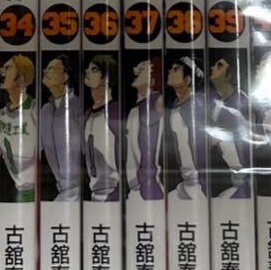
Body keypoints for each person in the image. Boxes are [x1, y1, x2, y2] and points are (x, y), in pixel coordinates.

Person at [39, 53, 81, 200]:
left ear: (64, 77)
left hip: (79, 190)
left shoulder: (78, 105)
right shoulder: (46, 110)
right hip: (59, 189)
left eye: (51, 68)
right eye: (46, 68)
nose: (45, 71)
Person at [0, 54, 37, 201]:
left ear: (21, 78)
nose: (2, 71)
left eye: (8, 68)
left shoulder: (35, 109)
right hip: (17, 188)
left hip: (35, 189)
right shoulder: (1, 114)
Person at [208, 55, 249, 199]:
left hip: (245, 179)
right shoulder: (215, 102)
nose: (213, 68)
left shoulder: (242, 101)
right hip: (229, 177)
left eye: (219, 66)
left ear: (229, 75)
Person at [82, 54, 121, 201]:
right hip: (94, 195)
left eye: (94, 69)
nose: (87, 71)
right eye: (88, 68)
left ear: (106, 78)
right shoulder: (86, 115)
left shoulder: (115, 111)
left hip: (113, 194)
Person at [167, 56, 207, 199]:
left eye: (176, 69)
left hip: (198, 185)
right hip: (187, 182)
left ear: (188, 80)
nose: (170, 71)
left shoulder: (197, 106)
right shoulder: (176, 105)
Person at [125, 58, 164, 200]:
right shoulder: (135, 110)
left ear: (152, 81)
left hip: (150, 189)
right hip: (137, 190)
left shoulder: (156, 103)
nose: (135, 70)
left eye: (141, 70)